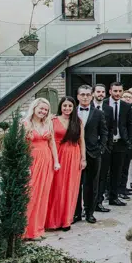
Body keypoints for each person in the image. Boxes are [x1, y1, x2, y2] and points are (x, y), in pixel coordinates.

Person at [23, 98, 60, 240]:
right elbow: (22, 146)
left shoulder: (48, 123)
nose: (43, 111)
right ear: (34, 107)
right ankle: (27, 231)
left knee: (43, 196)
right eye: (41, 108)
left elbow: (52, 144)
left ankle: (38, 229)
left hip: (47, 161)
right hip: (33, 161)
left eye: (46, 109)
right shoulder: (25, 124)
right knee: (31, 195)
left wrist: (56, 161)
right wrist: (25, 165)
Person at [46, 97, 84, 232]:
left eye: (70, 106)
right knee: (56, 187)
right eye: (64, 106)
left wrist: (83, 159)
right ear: (60, 107)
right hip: (57, 155)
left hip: (74, 155)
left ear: (73, 107)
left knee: (70, 188)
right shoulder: (52, 120)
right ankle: (53, 221)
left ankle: (66, 220)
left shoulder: (77, 122)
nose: (67, 108)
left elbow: (81, 141)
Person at [73, 85, 108, 224]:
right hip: (75, 154)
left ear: (92, 96)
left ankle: (89, 213)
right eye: (82, 94)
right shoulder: (72, 112)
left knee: (92, 185)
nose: (85, 97)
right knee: (76, 185)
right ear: (78, 96)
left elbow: (104, 132)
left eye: (88, 94)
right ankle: (76, 213)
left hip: (94, 153)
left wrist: (100, 148)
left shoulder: (98, 113)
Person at [103, 82, 132, 207]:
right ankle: (102, 196)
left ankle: (114, 196)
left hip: (120, 142)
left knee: (117, 171)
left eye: (119, 91)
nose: (117, 93)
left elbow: (130, 124)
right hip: (106, 143)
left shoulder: (126, 106)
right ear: (110, 91)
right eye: (115, 91)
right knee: (104, 171)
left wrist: (128, 140)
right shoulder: (104, 104)